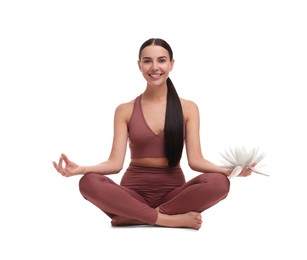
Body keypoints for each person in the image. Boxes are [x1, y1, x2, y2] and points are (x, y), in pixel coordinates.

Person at [52, 38, 253, 230]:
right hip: (132, 196)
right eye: (147, 61)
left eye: (162, 60)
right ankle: (167, 220)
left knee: (219, 183)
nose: (155, 67)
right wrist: (81, 169)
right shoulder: (125, 109)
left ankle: (134, 217)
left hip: (174, 197)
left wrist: (229, 171)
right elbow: (114, 164)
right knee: (88, 182)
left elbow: (196, 161)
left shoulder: (188, 108)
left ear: (172, 64)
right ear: (139, 65)